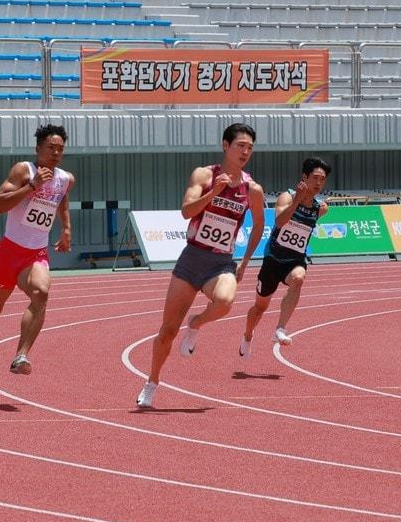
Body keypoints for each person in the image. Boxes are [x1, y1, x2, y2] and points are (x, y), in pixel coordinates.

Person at [137, 123, 266, 408]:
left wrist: (245, 261)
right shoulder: (204, 175)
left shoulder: (252, 189)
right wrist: (213, 194)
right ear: (225, 145)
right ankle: (152, 382)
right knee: (167, 331)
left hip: (221, 262)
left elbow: (258, 225)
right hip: (192, 258)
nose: (245, 151)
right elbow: (186, 212)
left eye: (250, 147)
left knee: (224, 302)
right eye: (240, 145)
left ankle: (196, 323)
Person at [0, 124, 75, 375]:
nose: (56, 153)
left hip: (36, 254)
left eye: (60, 149)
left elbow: (61, 198)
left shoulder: (66, 179)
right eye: (51, 148)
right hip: (8, 254)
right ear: (38, 148)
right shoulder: (23, 170)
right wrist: (32, 187)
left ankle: (21, 356)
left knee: (41, 292)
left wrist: (66, 228)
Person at [240, 157, 331, 357]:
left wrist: (310, 203)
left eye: (322, 179)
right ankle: (247, 335)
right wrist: (298, 199)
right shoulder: (286, 197)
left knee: (299, 278)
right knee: (259, 308)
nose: (318, 183)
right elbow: (280, 222)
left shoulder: (321, 208)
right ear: (304, 177)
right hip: (273, 261)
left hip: (295, 261)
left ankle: (280, 329)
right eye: (315, 177)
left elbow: (316, 211)